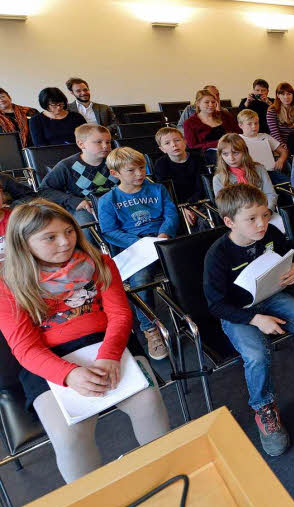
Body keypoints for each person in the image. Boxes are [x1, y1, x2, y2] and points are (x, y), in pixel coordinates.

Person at [0, 199, 170, 483]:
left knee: (149, 403)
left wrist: (110, 355)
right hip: (49, 360)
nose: (65, 242)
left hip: (108, 344)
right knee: (69, 437)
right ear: (24, 243)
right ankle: (92, 497)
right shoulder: (9, 285)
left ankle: (166, 472)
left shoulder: (99, 262)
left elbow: (119, 315)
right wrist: (69, 375)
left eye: (68, 231)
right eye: (50, 238)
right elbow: (26, 348)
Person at [204, 183, 294, 456]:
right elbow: (216, 305)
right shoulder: (217, 255)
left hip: (270, 297)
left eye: (265, 215)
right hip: (237, 311)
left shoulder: (271, 232)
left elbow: (290, 252)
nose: (261, 223)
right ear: (230, 222)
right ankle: (264, 407)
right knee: (255, 355)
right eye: (251, 219)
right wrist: (255, 319)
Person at [97, 147, 178, 359]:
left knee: (189, 265)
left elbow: (171, 215)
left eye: (141, 168)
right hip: (136, 247)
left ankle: (193, 314)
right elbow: (110, 232)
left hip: (163, 240)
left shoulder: (158, 189)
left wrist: (163, 234)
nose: (140, 173)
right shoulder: (108, 200)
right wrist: (140, 243)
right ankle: (149, 328)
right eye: (131, 170)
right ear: (115, 174)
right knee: (141, 280)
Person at [39, 124, 116, 227]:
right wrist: (74, 201)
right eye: (98, 142)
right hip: (86, 208)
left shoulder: (116, 161)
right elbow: (44, 190)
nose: (105, 146)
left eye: (108, 142)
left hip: (116, 202)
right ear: (81, 144)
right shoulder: (66, 166)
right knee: (87, 227)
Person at [153, 127, 205, 228]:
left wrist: (192, 206)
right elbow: (166, 193)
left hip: (200, 201)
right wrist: (182, 208)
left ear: (184, 141)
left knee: (203, 222)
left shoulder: (198, 158)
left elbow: (202, 187)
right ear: (162, 149)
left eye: (177, 140)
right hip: (175, 205)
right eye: (167, 143)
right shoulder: (161, 164)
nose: (174, 145)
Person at [212, 134, 277, 210]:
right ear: (221, 156)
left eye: (235, 153)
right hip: (237, 217)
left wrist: (268, 211)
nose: (231, 158)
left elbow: (271, 194)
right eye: (225, 154)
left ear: (244, 152)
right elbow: (223, 207)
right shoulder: (218, 178)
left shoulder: (259, 169)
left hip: (263, 211)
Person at [238, 109, 288, 184]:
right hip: (251, 174)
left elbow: (283, 151)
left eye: (256, 123)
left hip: (271, 172)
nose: (254, 126)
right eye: (249, 124)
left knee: (290, 185)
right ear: (240, 125)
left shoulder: (265, 137)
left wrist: (281, 160)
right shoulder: (238, 140)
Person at [267, 82, 294, 150]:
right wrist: (283, 145)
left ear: (293, 95)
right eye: (282, 94)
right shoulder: (272, 111)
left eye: (289, 94)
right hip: (279, 145)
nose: (286, 97)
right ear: (278, 96)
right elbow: (274, 133)